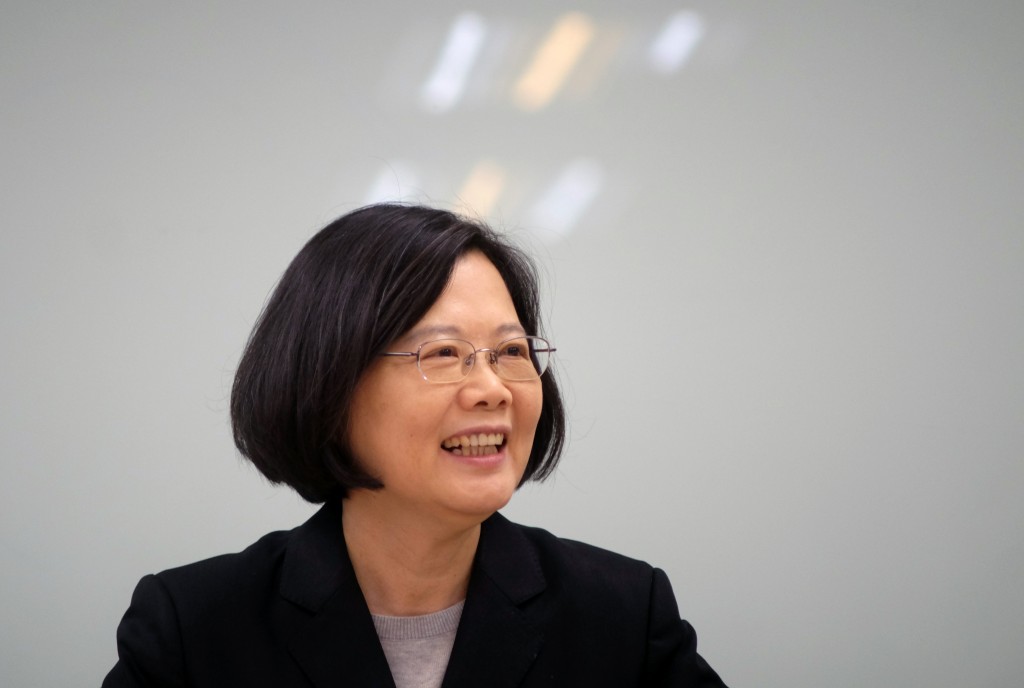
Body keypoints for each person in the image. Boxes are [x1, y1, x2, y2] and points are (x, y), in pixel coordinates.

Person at [103, 203, 726, 687]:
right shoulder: (193, 629)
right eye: (444, 354)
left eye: (511, 352)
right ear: (329, 383)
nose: (492, 389)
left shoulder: (622, 615)